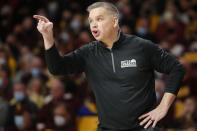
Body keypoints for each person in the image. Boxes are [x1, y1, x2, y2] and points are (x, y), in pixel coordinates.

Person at [33, 2, 185, 131]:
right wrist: (48, 37)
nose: (93, 24)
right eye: (91, 20)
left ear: (114, 21)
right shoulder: (88, 53)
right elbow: (56, 68)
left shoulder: (141, 46)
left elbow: (176, 68)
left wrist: (163, 107)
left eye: (99, 19)